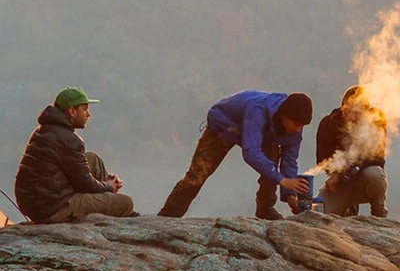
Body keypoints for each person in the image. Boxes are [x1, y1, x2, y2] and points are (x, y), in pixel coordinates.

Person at [158, 90, 313, 220]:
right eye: (296, 124)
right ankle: (168, 216)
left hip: (262, 135)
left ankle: (265, 208)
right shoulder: (257, 109)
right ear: (284, 115)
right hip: (224, 126)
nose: (298, 129)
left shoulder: (295, 127)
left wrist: (290, 194)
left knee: (271, 161)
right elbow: (250, 152)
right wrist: (282, 180)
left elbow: (289, 161)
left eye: (302, 126)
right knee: (197, 175)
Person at [14, 86, 138, 224]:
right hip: (54, 208)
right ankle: (111, 205)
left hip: (36, 203)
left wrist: (102, 184)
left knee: (93, 159)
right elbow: (85, 184)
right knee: (126, 203)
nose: (88, 114)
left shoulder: (43, 130)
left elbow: (75, 173)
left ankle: (105, 198)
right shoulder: (69, 140)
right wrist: (109, 186)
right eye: (84, 109)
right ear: (72, 111)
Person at [316, 85, 388, 217]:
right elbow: (322, 159)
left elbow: (377, 158)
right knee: (318, 210)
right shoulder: (330, 123)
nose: (353, 117)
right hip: (340, 184)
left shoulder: (376, 121)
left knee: (375, 174)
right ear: (343, 107)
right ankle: (346, 209)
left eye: (358, 113)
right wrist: (335, 172)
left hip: (364, 181)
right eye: (348, 111)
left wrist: (347, 171)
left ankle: (379, 213)